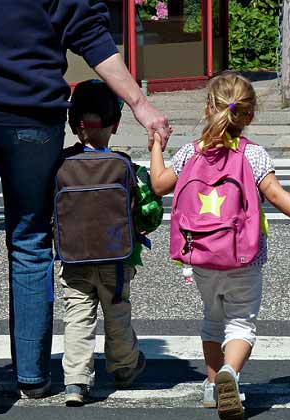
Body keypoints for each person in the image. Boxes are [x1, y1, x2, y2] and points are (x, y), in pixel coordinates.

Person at [0, 1, 171, 417]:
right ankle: (31, 375)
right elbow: (88, 32)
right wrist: (139, 103)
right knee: (29, 238)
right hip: (30, 112)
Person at [149, 72, 290, 420]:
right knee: (241, 323)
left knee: (213, 318)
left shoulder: (189, 153)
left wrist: (155, 147)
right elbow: (276, 195)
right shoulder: (253, 155)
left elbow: (159, 185)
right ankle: (230, 373)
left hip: (201, 257)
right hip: (244, 258)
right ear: (249, 115)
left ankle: (212, 387)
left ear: (208, 109)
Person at [58, 79, 163, 406]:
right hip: (116, 260)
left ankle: (75, 380)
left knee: (77, 316)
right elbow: (149, 211)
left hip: (73, 257)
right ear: (114, 125)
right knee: (117, 313)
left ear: (73, 124)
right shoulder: (123, 166)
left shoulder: (59, 165)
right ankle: (124, 366)